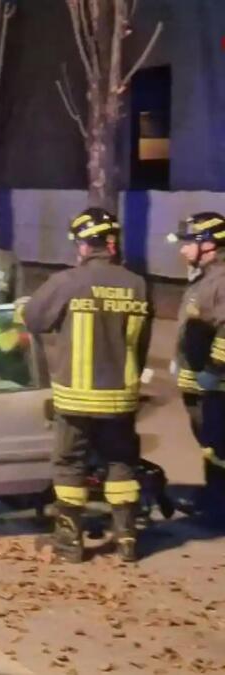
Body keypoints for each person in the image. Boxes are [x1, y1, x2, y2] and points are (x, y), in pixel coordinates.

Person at [22, 208, 152, 563]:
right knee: (122, 465)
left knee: (69, 466)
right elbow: (141, 344)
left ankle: (70, 544)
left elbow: (33, 318)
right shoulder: (137, 284)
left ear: (83, 245)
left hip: (75, 399)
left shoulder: (68, 282)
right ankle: (127, 541)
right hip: (121, 398)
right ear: (112, 243)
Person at [167, 212, 225, 525]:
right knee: (211, 448)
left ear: (210, 245)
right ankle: (213, 500)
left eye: (189, 242)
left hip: (217, 388)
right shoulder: (204, 278)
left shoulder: (222, 280)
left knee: (219, 450)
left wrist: (214, 372)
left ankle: (218, 510)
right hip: (203, 387)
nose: (183, 250)